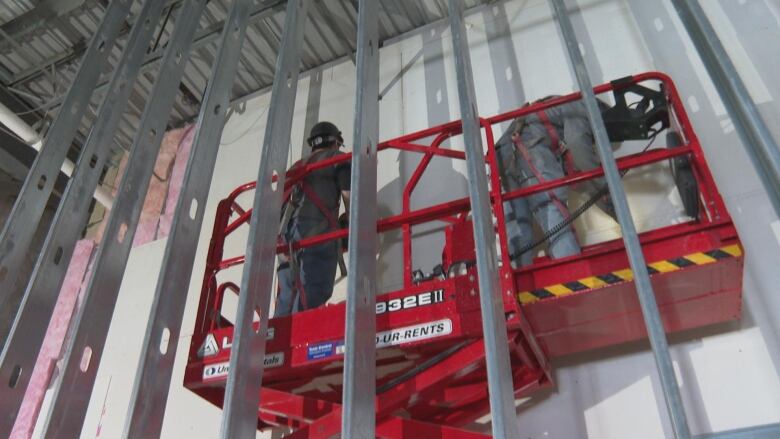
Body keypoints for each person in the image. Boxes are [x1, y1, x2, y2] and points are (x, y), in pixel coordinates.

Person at [496, 97, 619, 267]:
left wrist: (610, 205)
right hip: (529, 149)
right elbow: (580, 151)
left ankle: (519, 285)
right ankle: (574, 277)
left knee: (519, 232)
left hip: (501, 157)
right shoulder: (586, 109)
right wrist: (607, 187)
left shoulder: (561, 108)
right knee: (553, 211)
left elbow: (583, 178)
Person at [273, 121, 351, 317]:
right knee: (313, 293)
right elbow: (350, 197)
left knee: (287, 296)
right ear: (335, 142)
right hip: (316, 238)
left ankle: (276, 342)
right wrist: (349, 223)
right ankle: (301, 340)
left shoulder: (295, 167)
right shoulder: (338, 158)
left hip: (285, 242)